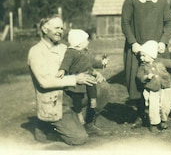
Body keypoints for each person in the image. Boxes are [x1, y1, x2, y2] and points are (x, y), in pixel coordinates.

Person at [27, 15, 111, 146]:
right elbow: (45, 82)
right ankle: (45, 126)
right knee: (79, 138)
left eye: (61, 28)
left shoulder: (64, 48)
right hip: (54, 101)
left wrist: (94, 72)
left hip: (70, 94)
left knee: (102, 87)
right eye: (56, 28)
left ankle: (89, 123)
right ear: (44, 29)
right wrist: (75, 79)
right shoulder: (36, 52)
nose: (60, 31)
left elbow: (79, 63)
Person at [121, 0, 171, 128]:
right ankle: (140, 113)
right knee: (138, 80)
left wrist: (163, 41)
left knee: (158, 79)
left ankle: (160, 115)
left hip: (157, 48)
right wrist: (133, 43)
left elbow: (168, 22)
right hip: (137, 48)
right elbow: (125, 22)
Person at [56, 29, 108, 125]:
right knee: (77, 97)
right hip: (76, 78)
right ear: (78, 43)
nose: (88, 42)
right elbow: (66, 63)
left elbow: (93, 62)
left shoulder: (86, 52)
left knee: (92, 85)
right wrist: (62, 70)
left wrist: (102, 63)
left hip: (87, 75)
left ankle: (93, 101)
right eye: (86, 40)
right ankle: (78, 113)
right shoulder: (70, 52)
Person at [136, 40, 171, 132]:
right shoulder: (143, 67)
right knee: (154, 106)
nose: (141, 58)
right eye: (141, 55)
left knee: (166, 105)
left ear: (151, 54)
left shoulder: (160, 61)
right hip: (153, 89)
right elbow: (139, 76)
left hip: (166, 87)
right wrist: (146, 77)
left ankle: (163, 120)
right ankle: (154, 123)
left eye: (144, 55)